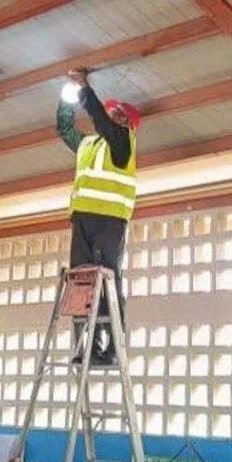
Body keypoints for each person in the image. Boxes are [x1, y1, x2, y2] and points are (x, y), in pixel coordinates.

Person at [56, 66, 141, 366]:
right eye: (112, 112)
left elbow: (103, 123)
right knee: (82, 283)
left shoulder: (123, 144)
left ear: (127, 124)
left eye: (119, 115)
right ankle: (88, 347)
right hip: (82, 220)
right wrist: (67, 100)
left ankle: (114, 347)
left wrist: (84, 89)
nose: (113, 117)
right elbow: (65, 130)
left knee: (107, 283)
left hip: (109, 221)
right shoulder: (89, 145)